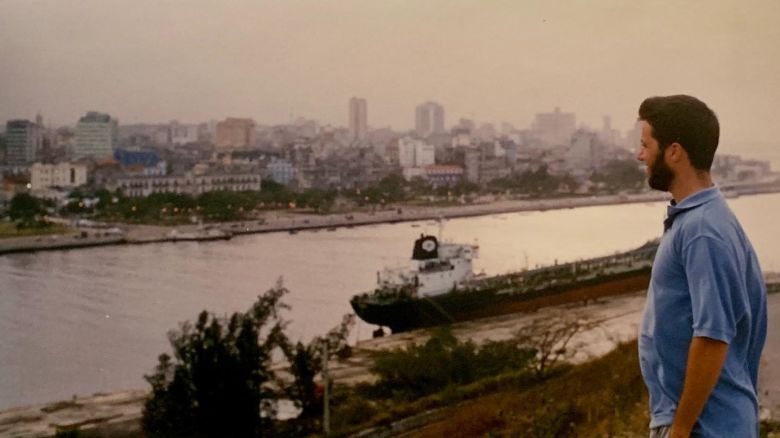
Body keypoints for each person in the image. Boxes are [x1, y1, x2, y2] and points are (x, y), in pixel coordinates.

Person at [636, 95, 767, 437]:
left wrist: (679, 429)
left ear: (674, 152)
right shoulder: (701, 220)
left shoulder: (702, 231)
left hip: (704, 428)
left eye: (646, 144)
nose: (640, 155)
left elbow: (712, 336)